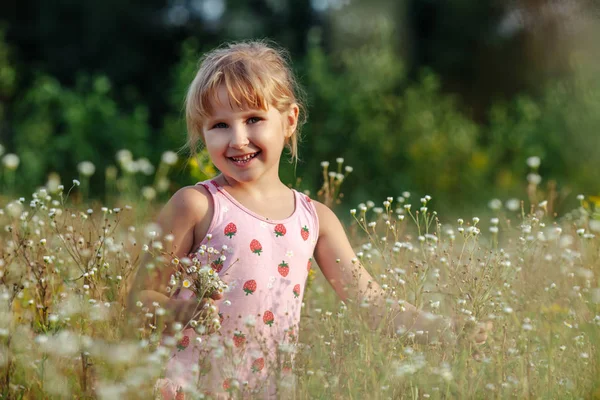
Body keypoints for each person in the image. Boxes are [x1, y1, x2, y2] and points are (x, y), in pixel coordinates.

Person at [127, 40, 490, 399]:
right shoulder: (196, 205)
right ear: (201, 132)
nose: (238, 139)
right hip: (190, 390)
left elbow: (374, 305)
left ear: (289, 121)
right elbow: (137, 301)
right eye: (219, 125)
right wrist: (181, 310)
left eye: (253, 119)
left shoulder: (315, 219)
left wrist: (445, 329)